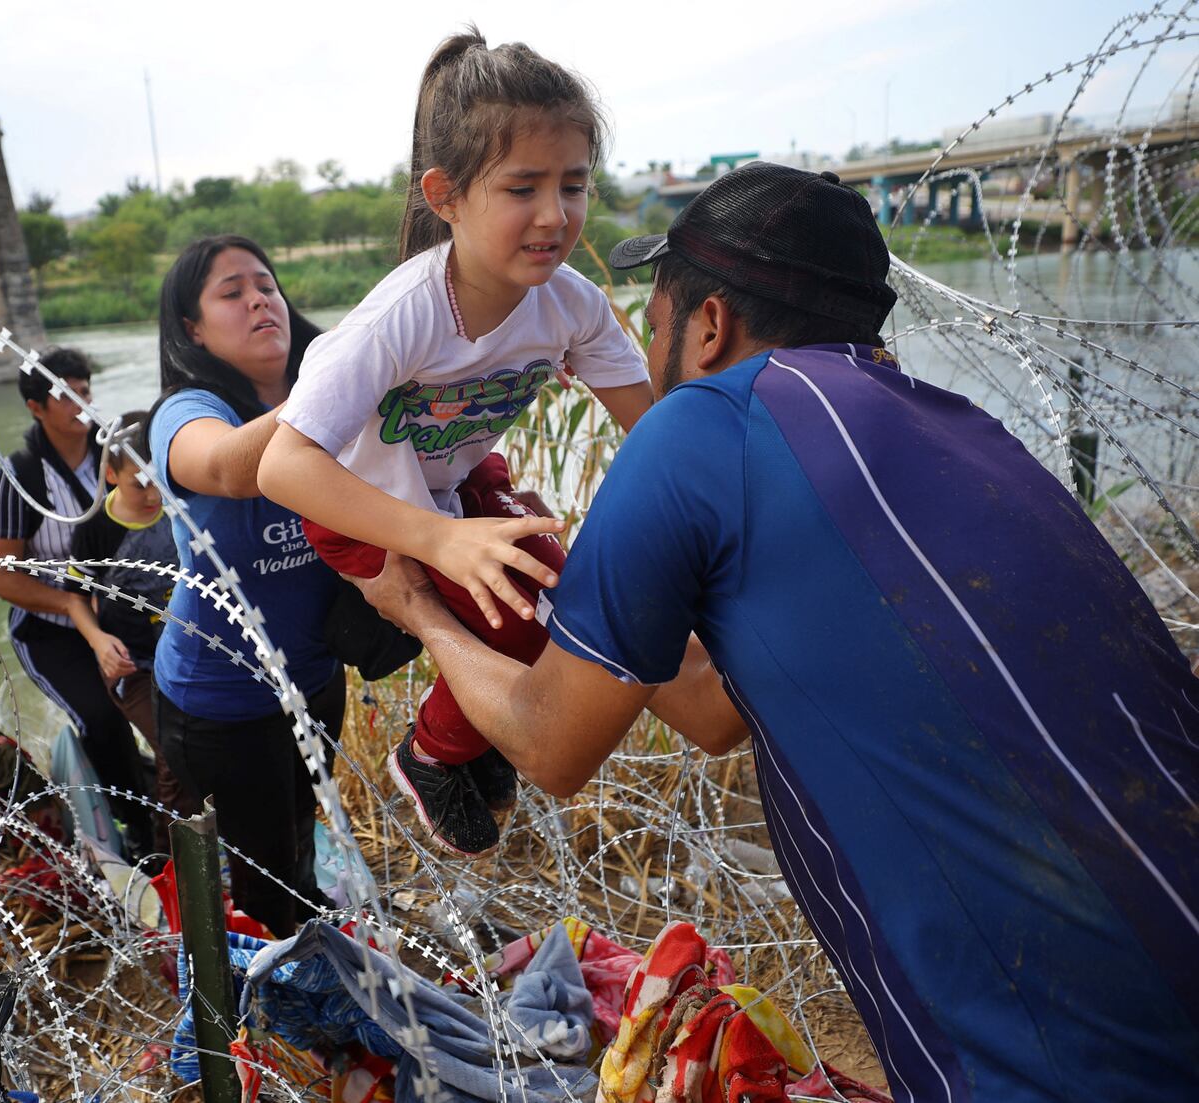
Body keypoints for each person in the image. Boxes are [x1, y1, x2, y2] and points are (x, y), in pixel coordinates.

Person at [348, 162, 1199, 1100]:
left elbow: (550, 746)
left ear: (709, 326)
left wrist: (422, 610)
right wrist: (571, 588)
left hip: (1043, 1038)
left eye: (658, 320)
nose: (646, 343)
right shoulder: (963, 428)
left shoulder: (702, 426)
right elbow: (714, 711)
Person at [259, 30, 653, 858]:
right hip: (361, 508)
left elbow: (651, 426)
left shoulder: (571, 305)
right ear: (446, 195)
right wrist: (440, 538)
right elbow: (283, 465)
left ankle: (470, 738)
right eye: (523, 187)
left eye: (574, 185)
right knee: (517, 602)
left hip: (457, 480)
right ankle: (432, 754)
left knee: (557, 588)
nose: (555, 215)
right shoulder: (405, 314)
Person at [149, 235, 345, 937]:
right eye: (232, 292)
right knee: (262, 878)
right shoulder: (187, 410)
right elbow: (229, 468)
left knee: (297, 835)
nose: (260, 298)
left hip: (316, 675)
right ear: (193, 328)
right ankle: (277, 1015)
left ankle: (309, 938)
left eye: (266, 284)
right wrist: (343, 385)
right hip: (222, 699)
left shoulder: (324, 387)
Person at [0, 349, 155, 856]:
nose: (82, 399)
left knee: (166, 715)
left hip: (123, 619)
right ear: (36, 407)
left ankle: (166, 811)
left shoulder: (114, 461)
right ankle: (139, 831)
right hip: (49, 631)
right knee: (99, 718)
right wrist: (77, 604)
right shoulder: (19, 480)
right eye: (66, 391)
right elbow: (0, 578)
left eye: (85, 385)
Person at [68, 408, 199, 840]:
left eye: (159, 479)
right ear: (110, 475)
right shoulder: (95, 529)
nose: (151, 494)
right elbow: (75, 599)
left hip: (191, 652)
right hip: (134, 665)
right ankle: (175, 854)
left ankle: (217, 838)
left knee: (210, 746)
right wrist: (98, 641)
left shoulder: (184, 506)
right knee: (171, 752)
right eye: (138, 483)